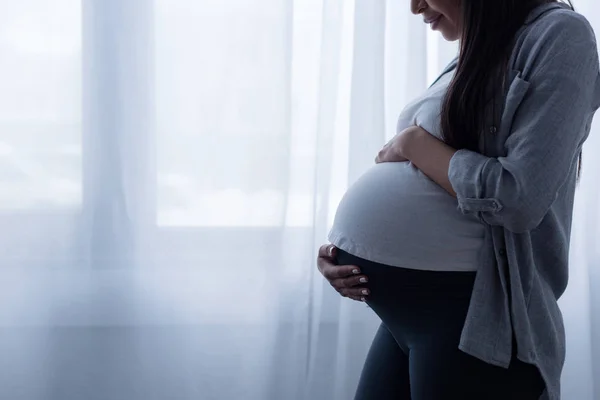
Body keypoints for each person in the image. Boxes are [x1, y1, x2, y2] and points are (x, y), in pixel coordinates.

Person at [316, 1, 600, 399]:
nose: (415, 8)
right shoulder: (479, 49)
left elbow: (519, 196)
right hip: (408, 318)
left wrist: (415, 144)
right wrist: (344, 250)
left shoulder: (560, 35)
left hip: (475, 318)